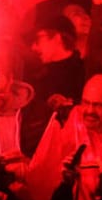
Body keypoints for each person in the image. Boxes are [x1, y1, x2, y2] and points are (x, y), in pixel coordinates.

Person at [22, 15, 87, 155]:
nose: (34, 47)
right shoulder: (36, 78)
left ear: (57, 37)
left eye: (38, 39)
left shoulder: (85, 73)